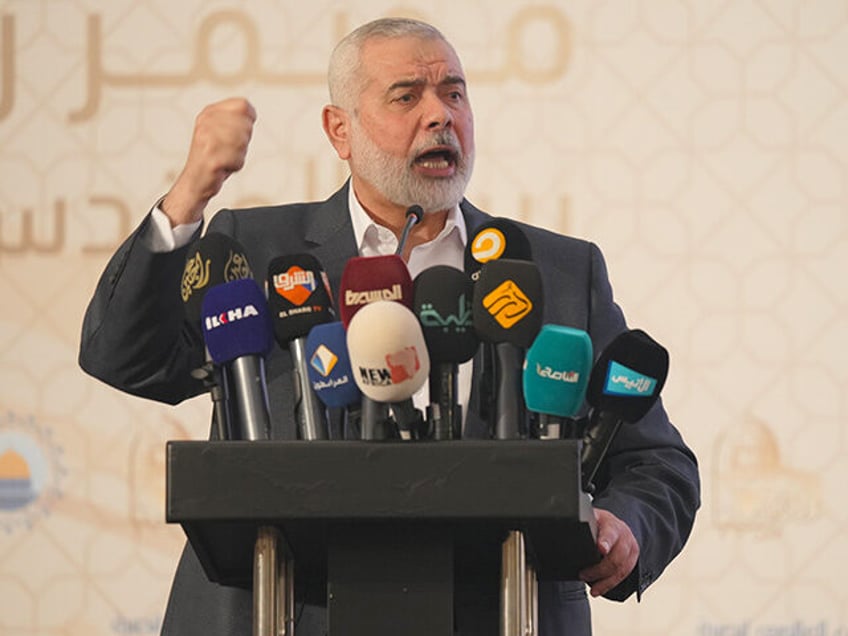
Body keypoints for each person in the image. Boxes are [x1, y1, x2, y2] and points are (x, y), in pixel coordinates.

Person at [78, 17, 700, 636]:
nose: (440, 115)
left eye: (453, 93)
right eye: (407, 96)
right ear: (339, 130)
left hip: (503, 611)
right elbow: (126, 357)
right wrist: (188, 196)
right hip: (280, 609)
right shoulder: (259, 250)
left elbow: (658, 463)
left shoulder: (557, 269)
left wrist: (627, 525)